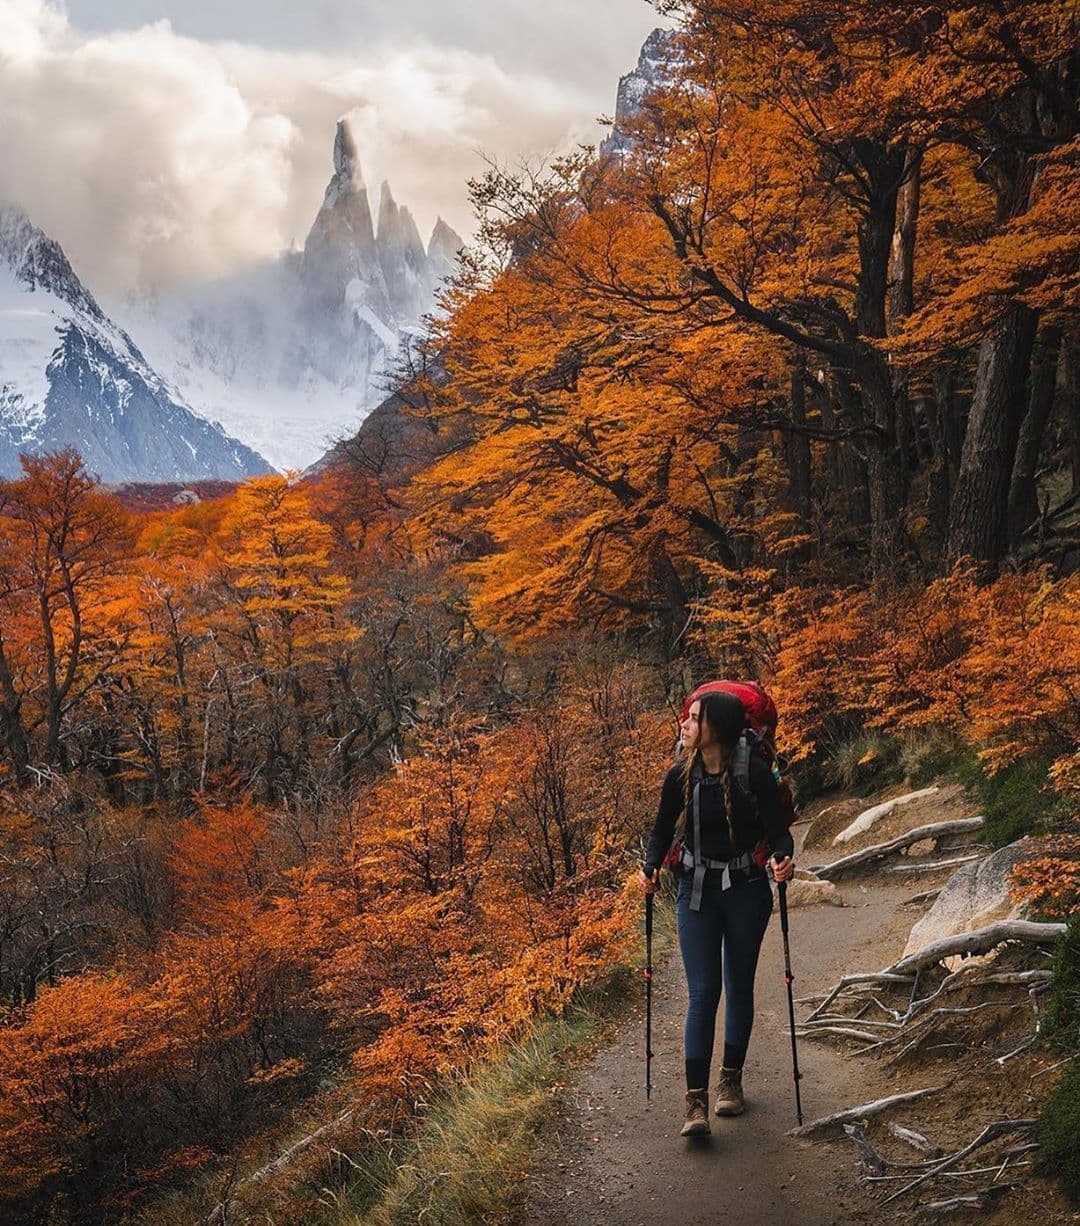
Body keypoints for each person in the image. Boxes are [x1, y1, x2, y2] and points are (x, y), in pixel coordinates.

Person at [636, 690, 795, 1138]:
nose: (684, 726)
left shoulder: (754, 774)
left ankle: (730, 1080)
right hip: (696, 892)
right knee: (703, 992)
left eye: (693, 720)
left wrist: (783, 861)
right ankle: (695, 1104)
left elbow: (779, 835)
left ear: (716, 731)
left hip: (746, 892)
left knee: (737, 984)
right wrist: (648, 870)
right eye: (686, 719)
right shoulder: (679, 776)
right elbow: (660, 832)